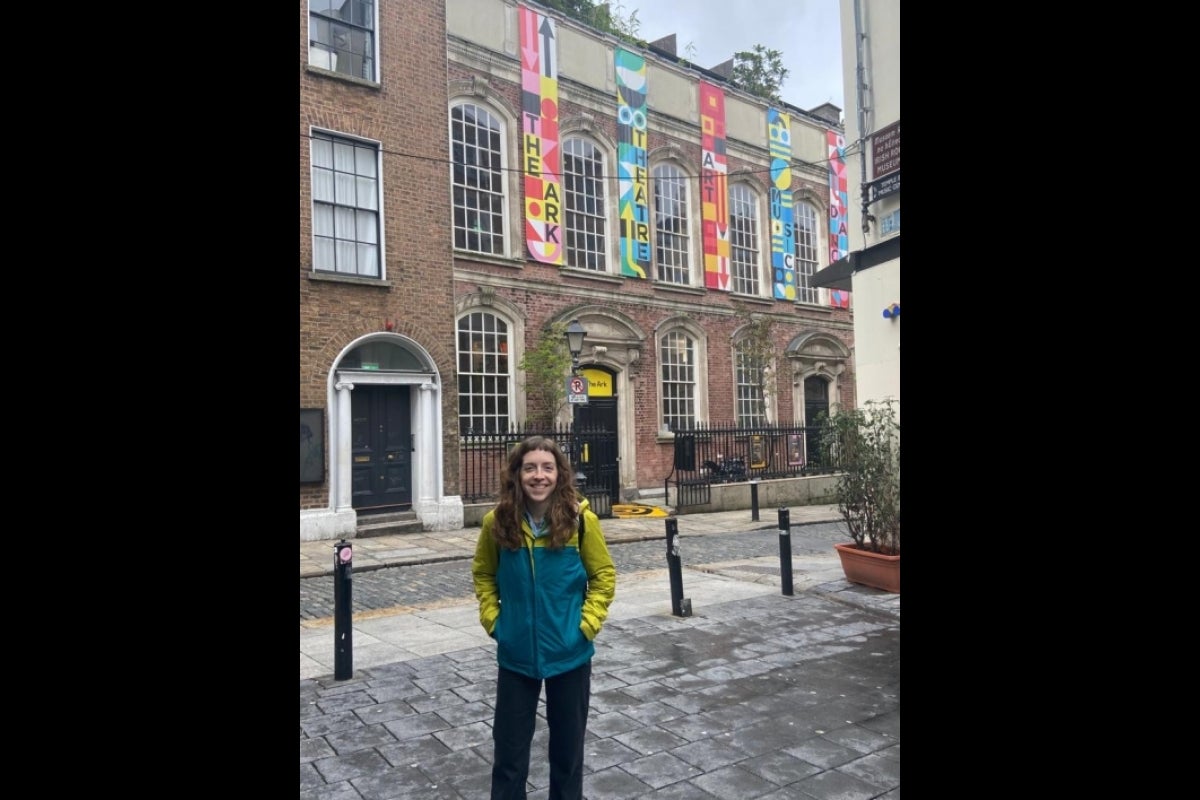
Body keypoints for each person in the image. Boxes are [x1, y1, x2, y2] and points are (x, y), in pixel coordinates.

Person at [472, 436, 617, 800]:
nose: (539, 476)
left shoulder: (581, 521)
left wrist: (585, 626)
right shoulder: (497, 522)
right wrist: (496, 622)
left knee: (567, 755)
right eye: (530, 467)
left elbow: (603, 577)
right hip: (517, 655)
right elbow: (484, 574)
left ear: (559, 474)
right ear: (517, 474)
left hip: (570, 654)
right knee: (508, 755)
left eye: (547, 468)